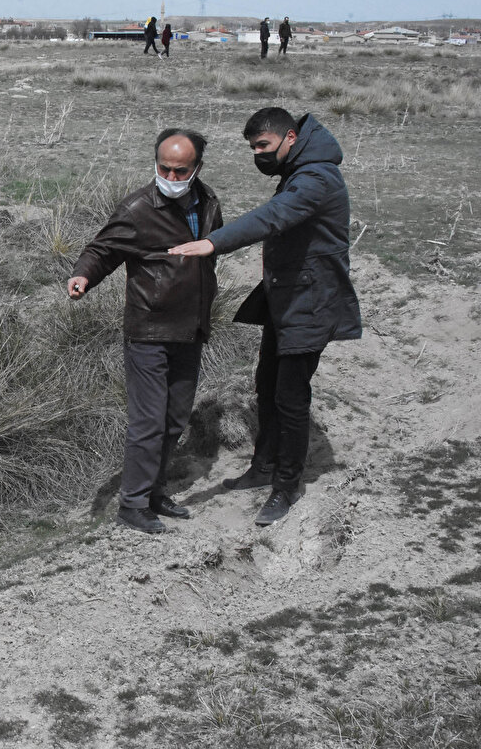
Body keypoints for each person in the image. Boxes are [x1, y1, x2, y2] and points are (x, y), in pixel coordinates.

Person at [168, 108, 361, 527]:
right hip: (289, 298)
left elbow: (273, 217)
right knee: (267, 384)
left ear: (290, 137)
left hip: (311, 302)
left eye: (263, 146)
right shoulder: (300, 168)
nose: (258, 154)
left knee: (291, 397)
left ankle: (286, 486)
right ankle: (264, 466)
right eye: (253, 147)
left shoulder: (316, 178)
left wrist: (212, 243)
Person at [68, 129, 223, 534]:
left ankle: (154, 491)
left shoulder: (209, 202)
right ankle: (132, 505)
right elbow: (103, 249)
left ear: (197, 168)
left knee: (174, 420)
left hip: (190, 328)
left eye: (180, 170)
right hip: (149, 329)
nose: (171, 177)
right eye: (163, 168)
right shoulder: (138, 206)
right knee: (149, 422)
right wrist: (84, 276)